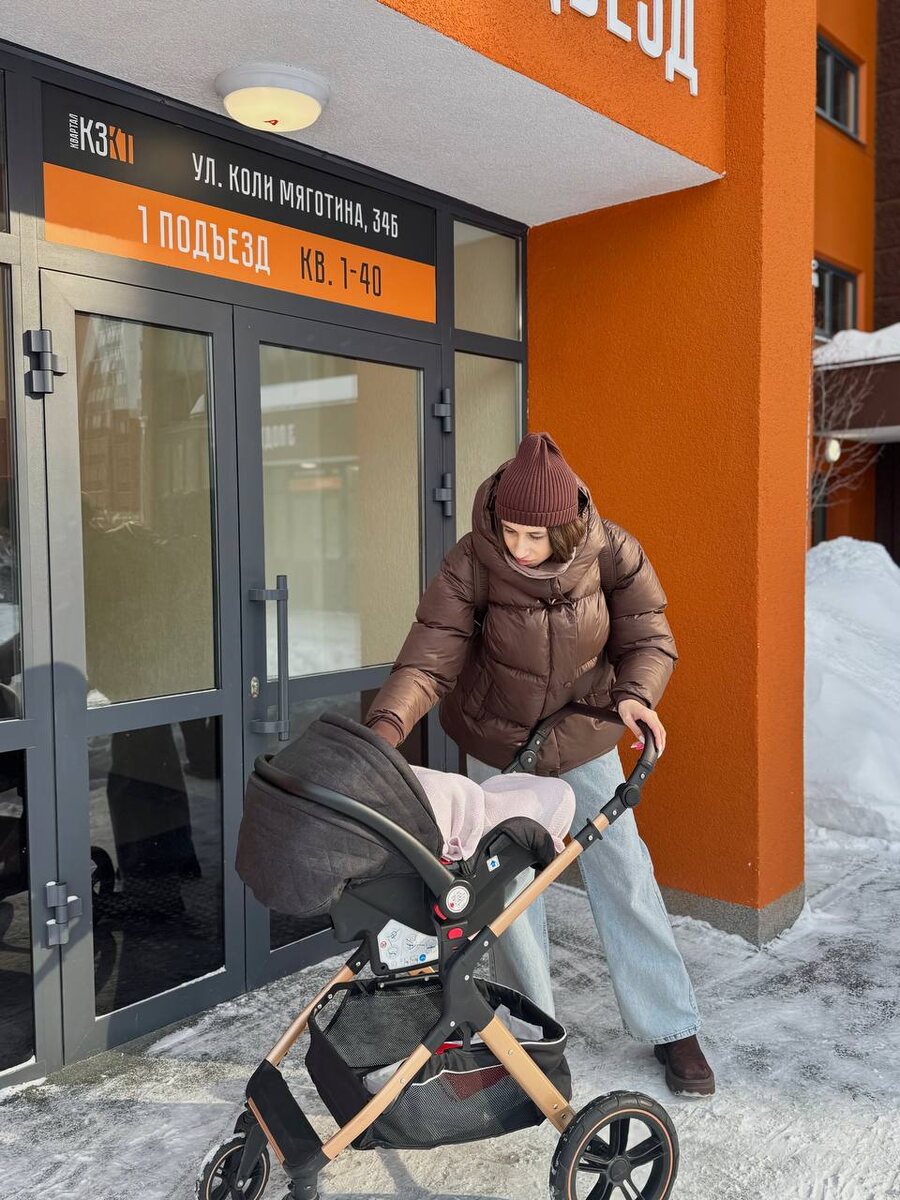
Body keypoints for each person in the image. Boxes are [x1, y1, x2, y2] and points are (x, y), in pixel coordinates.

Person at [364, 431, 714, 1097]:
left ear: (567, 527)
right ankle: (530, 1039)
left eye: (535, 536)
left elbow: (649, 634)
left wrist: (635, 696)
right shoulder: (473, 560)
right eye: (510, 532)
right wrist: (386, 727)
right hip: (500, 742)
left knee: (624, 871)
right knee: (508, 891)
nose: (520, 549)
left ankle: (671, 1023)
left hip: (585, 737)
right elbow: (429, 654)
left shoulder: (613, 552)